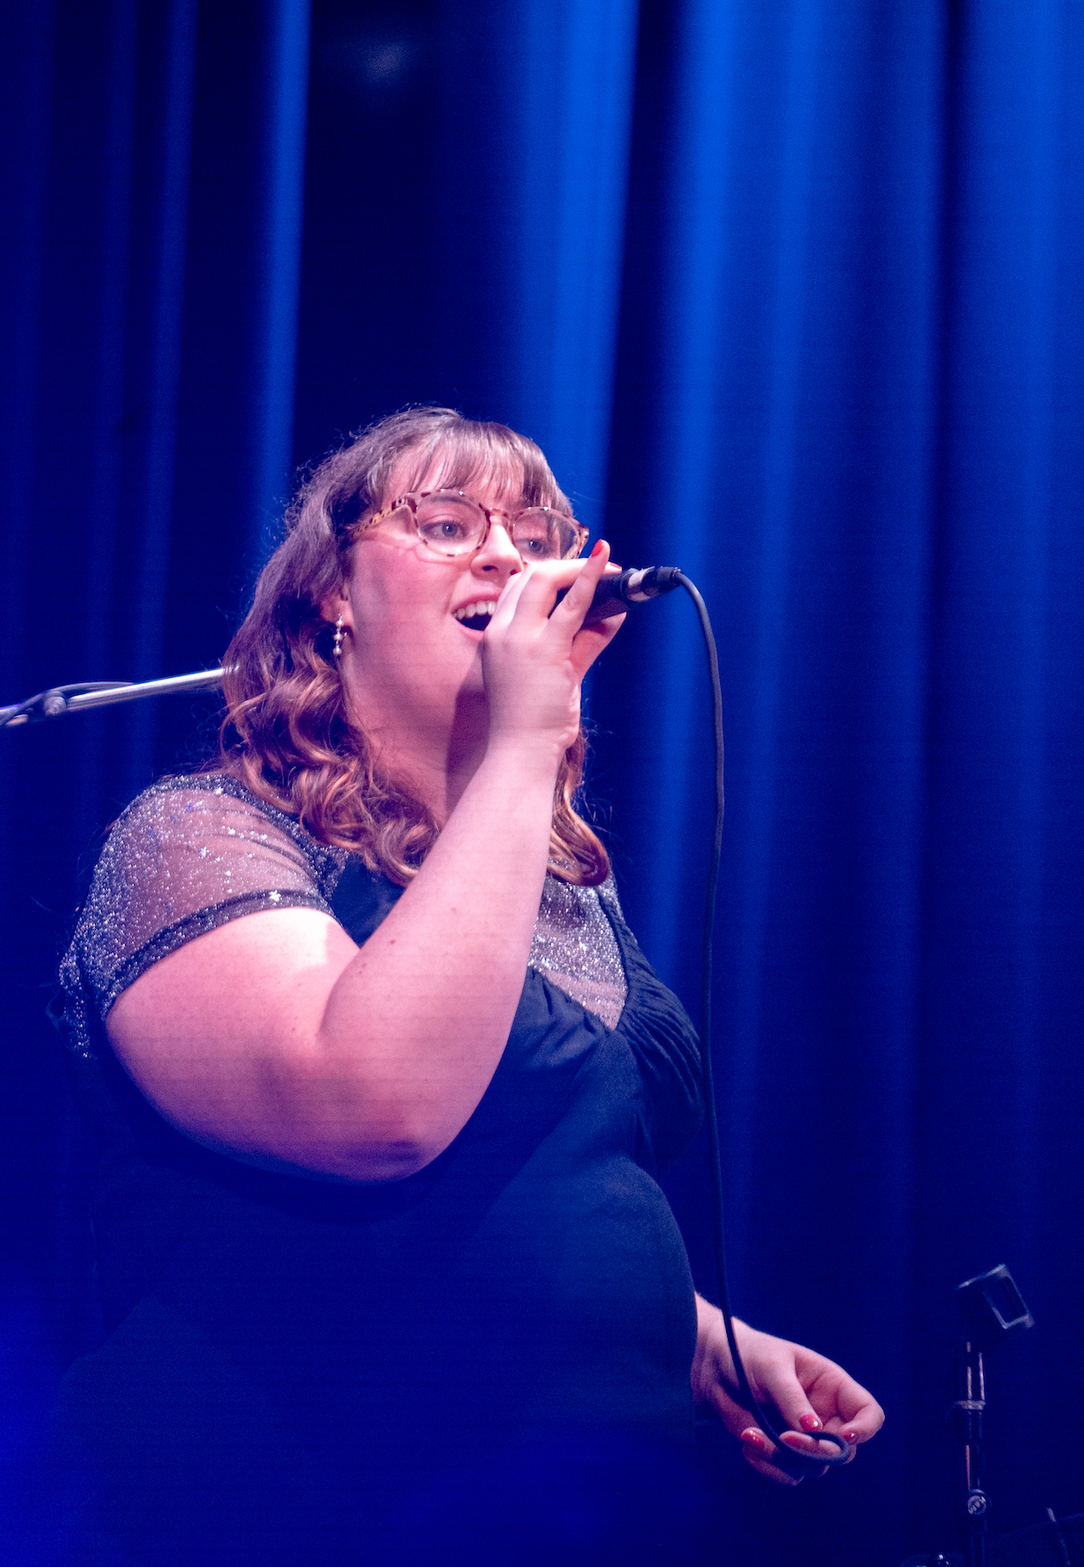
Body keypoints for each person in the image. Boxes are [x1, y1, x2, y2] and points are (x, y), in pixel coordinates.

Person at [51, 409, 882, 1564]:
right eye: (445, 524)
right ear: (332, 595)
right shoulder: (198, 835)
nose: (502, 554)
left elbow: (531, 1175)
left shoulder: (560, 885)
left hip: (572, 1510)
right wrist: (524, 745)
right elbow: (371, 1107)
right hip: (286, 1501)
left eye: (532, 535)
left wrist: (692, 1336)